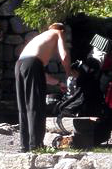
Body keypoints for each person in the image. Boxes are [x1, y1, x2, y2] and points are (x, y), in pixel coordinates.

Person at [15, 22, 73, 152]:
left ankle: (25, 146)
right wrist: (69, 74)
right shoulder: (58, 33)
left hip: (19, 65)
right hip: (32, 64)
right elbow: (64, 55)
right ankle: (36, 146)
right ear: (62, 30)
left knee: (24, 106)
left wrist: (58, 83)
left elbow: (40, 73)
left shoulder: (41, 39)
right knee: (36, 105)